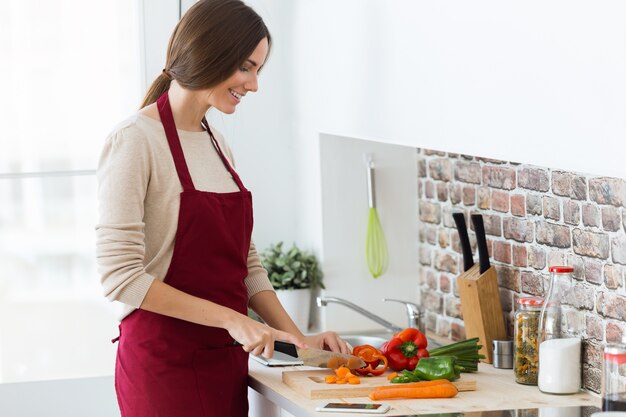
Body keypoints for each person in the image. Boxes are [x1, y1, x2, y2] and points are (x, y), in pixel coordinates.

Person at [95, 1, 349, 416]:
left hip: (223, 364)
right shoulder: (135, 140)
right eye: (246, 68)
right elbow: (121, 278)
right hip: (164, 368)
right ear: (210, 53)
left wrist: (298, 341)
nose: (253, 85)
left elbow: (245, 266)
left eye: (257, 71)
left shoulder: (216, 142)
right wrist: (233, 320)